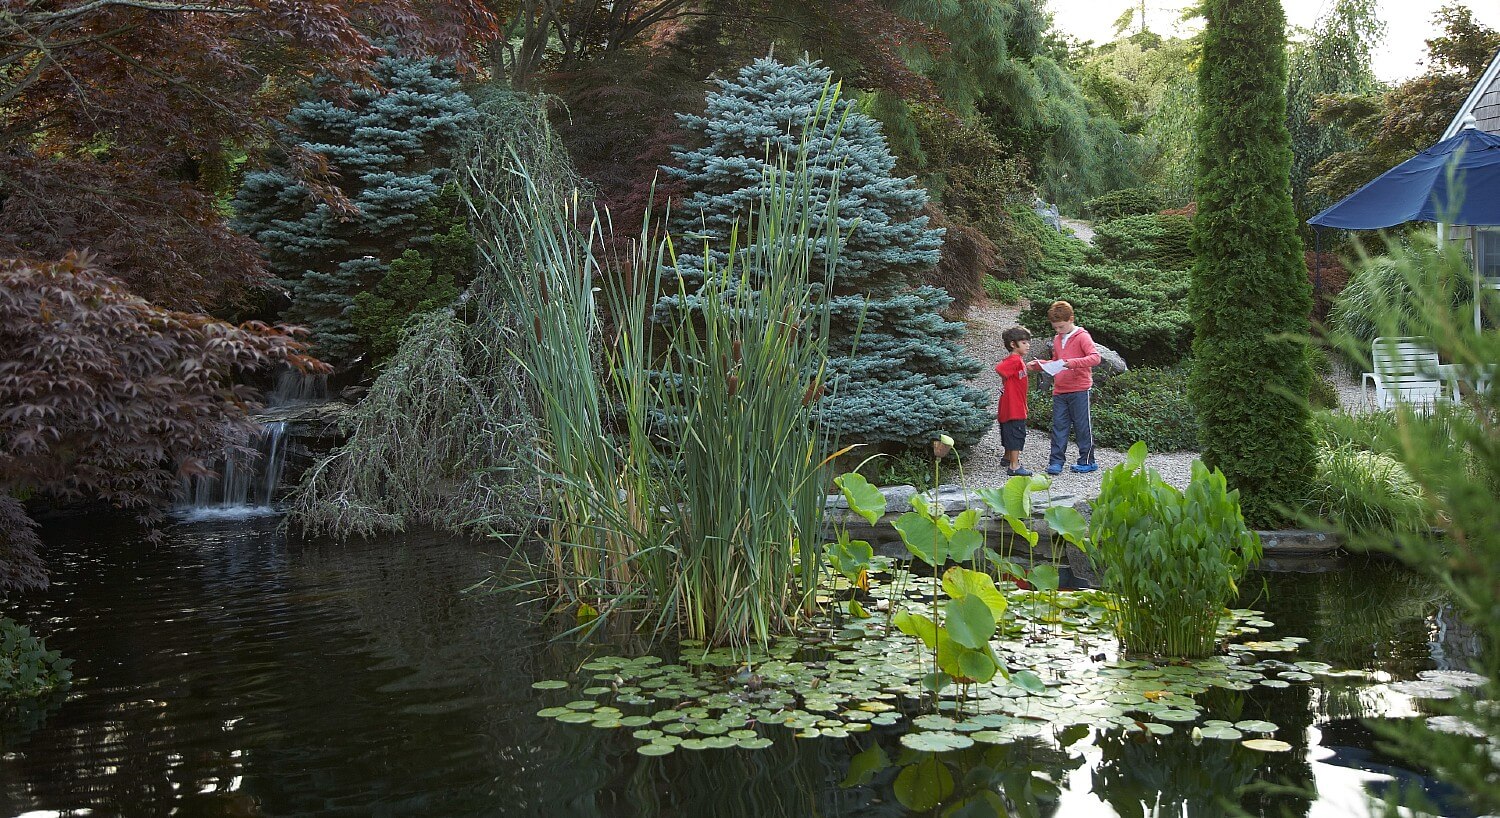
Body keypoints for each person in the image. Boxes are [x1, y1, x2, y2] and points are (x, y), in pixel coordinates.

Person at [1038, 300, 1101, 475]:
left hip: (1080, 389)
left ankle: (1087, 460)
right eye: (1055, 328)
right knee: (1059, 426)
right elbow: (1057, 362)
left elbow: (1095, 358)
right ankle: (1056, 461)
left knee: (1082, 426)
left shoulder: (1082, 336)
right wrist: (1040, 365)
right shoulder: (1057, 339)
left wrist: (1071, 363)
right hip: (1060, 390)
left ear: (1071, 319)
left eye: (1061, 327)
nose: (1058, 331)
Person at [993, 326, 1034, 476]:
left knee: (1008, 431)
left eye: (1027, 342)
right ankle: (1014, 466)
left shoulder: (1019, 361)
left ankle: (1007, 457)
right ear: (1013, 344)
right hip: (1014, 405)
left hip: (1014, 403)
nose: (1028, 345)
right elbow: (1000, 368)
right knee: (1017, 434)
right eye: (1023, 342)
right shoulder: (1015, 359)